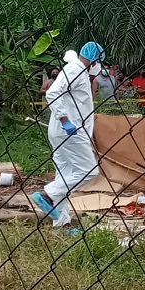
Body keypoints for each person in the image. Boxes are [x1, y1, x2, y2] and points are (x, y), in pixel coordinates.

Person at [32, 41, 105, 228]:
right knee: (89, 170)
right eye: (98, 61)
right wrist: (65, 120)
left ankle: (62, 222)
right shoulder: (75, 70)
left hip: (63, 130)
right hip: (70, 130)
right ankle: (47, 195)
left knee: (64, 174)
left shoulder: (76, 70)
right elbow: (53, 92)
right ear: (93, 59)